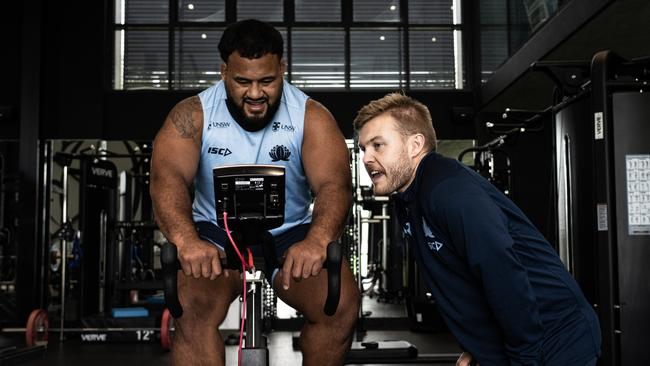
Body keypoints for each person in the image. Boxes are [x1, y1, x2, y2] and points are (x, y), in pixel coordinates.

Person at [150, 19, 360, 366]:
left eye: (267, 80)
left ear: (283, 68)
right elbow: (166, 179)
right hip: (215, 233)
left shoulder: (311, 117)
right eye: (242, 81)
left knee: (338, 305)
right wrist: (186, 241)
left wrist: (319, 239)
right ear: (223, 71)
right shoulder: (192, 115)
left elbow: (334, 185)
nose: (255, 93)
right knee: (191, 312)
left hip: (289, 233)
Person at [353, 93, 601, 366]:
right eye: (363, 148)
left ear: (415, 145)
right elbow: (464, 280)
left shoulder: (448, 191)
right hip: (520, 344)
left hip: (554, 340)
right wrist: (481, 348)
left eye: (378, 145)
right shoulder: (409, 199)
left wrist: (522, 359)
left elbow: (503, 273)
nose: (367, 158)